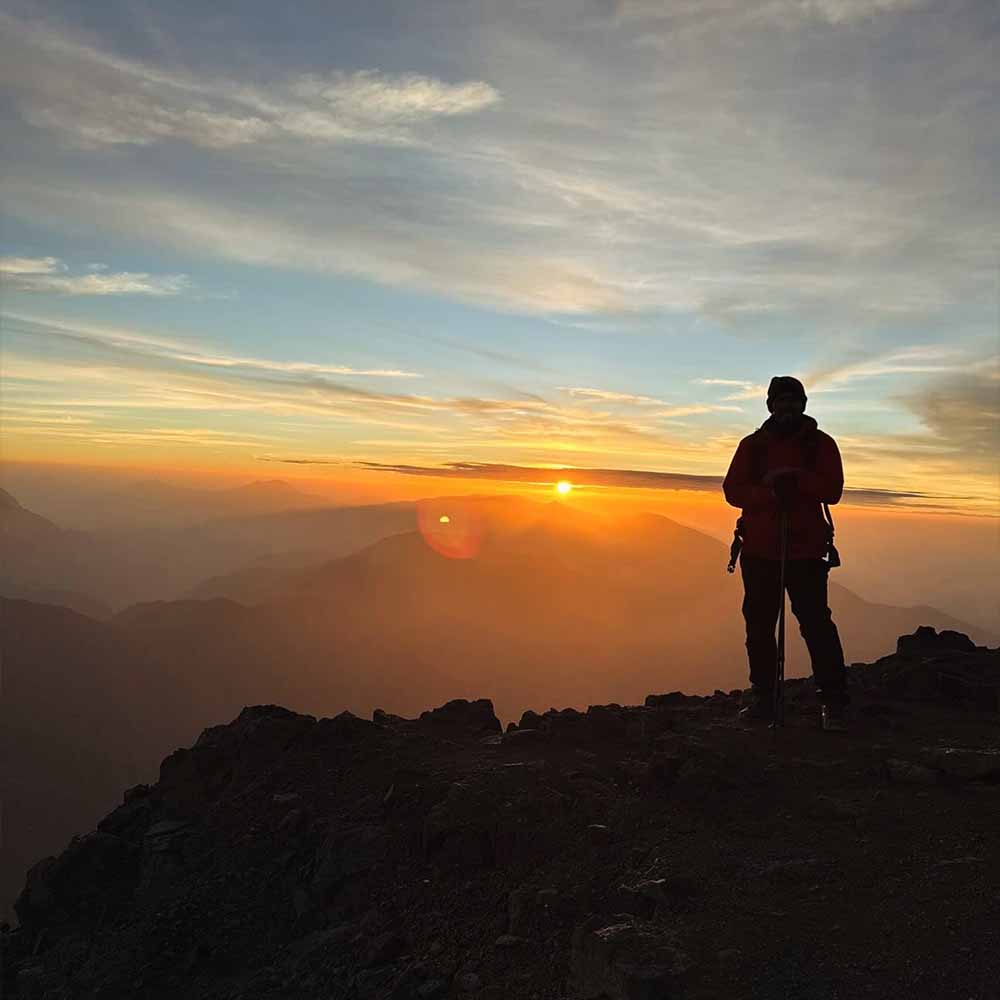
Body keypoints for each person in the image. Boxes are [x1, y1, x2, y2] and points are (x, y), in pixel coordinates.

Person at [723, 376, 850, 732]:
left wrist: (794, 480)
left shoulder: (821, 445)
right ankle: (765, 698)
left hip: (804, 550)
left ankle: (833, 700)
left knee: (815, 625)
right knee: (761, 627)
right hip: (763, 550)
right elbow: (733, 490)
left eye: (793, 401)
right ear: (770, 406)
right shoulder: (752, 446)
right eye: (781, 401)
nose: (787, 407)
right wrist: (771, 491)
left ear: (804, 404)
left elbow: (833, 490)